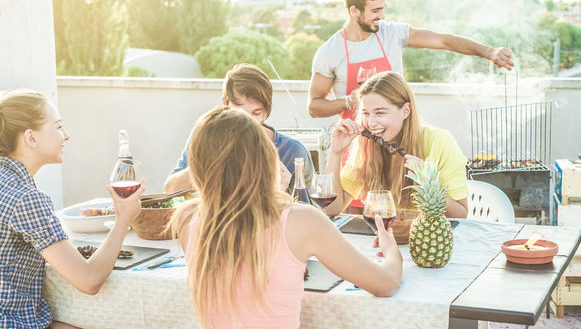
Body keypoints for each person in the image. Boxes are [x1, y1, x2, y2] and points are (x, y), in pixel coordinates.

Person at [168, 106, 402, 328]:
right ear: (264, 155)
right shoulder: (302, 221)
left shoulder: (188, 219)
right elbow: (385, 284)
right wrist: (392, 252)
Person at [0, 89, 145, 329]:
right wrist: (123, 219)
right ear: (31, 138)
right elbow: (89, 281)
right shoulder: (26, 199)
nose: (65, 135)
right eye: (57, 127)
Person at [308, 0, 514, 120]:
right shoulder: (330, 52)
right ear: (354, 11)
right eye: (375, 10)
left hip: (399, 141)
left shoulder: (392, 33)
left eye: (383, 8)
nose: (382, 15)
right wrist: (347, 102)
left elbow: (443, 40)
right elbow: (314, 106)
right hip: (355, 146)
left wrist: (489, 52)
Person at [324, 71, 469, 218]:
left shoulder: (440, 142)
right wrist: (335, 153)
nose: (371, 123)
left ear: (405, 111)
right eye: (366, 113)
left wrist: (429, 187)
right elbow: (331, 209)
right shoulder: (365, 147)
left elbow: (461, 214)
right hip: (385, 236)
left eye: (380, 113)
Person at [164, 63, 315, 194]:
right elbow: (170, 190)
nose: (248, 123)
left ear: (267, 110)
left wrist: (281, 193)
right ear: (225, 104)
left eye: (256, 113)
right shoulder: (206, 137)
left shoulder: (293, 152)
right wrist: (209, 161)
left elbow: (315, 213)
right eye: (240, 113)